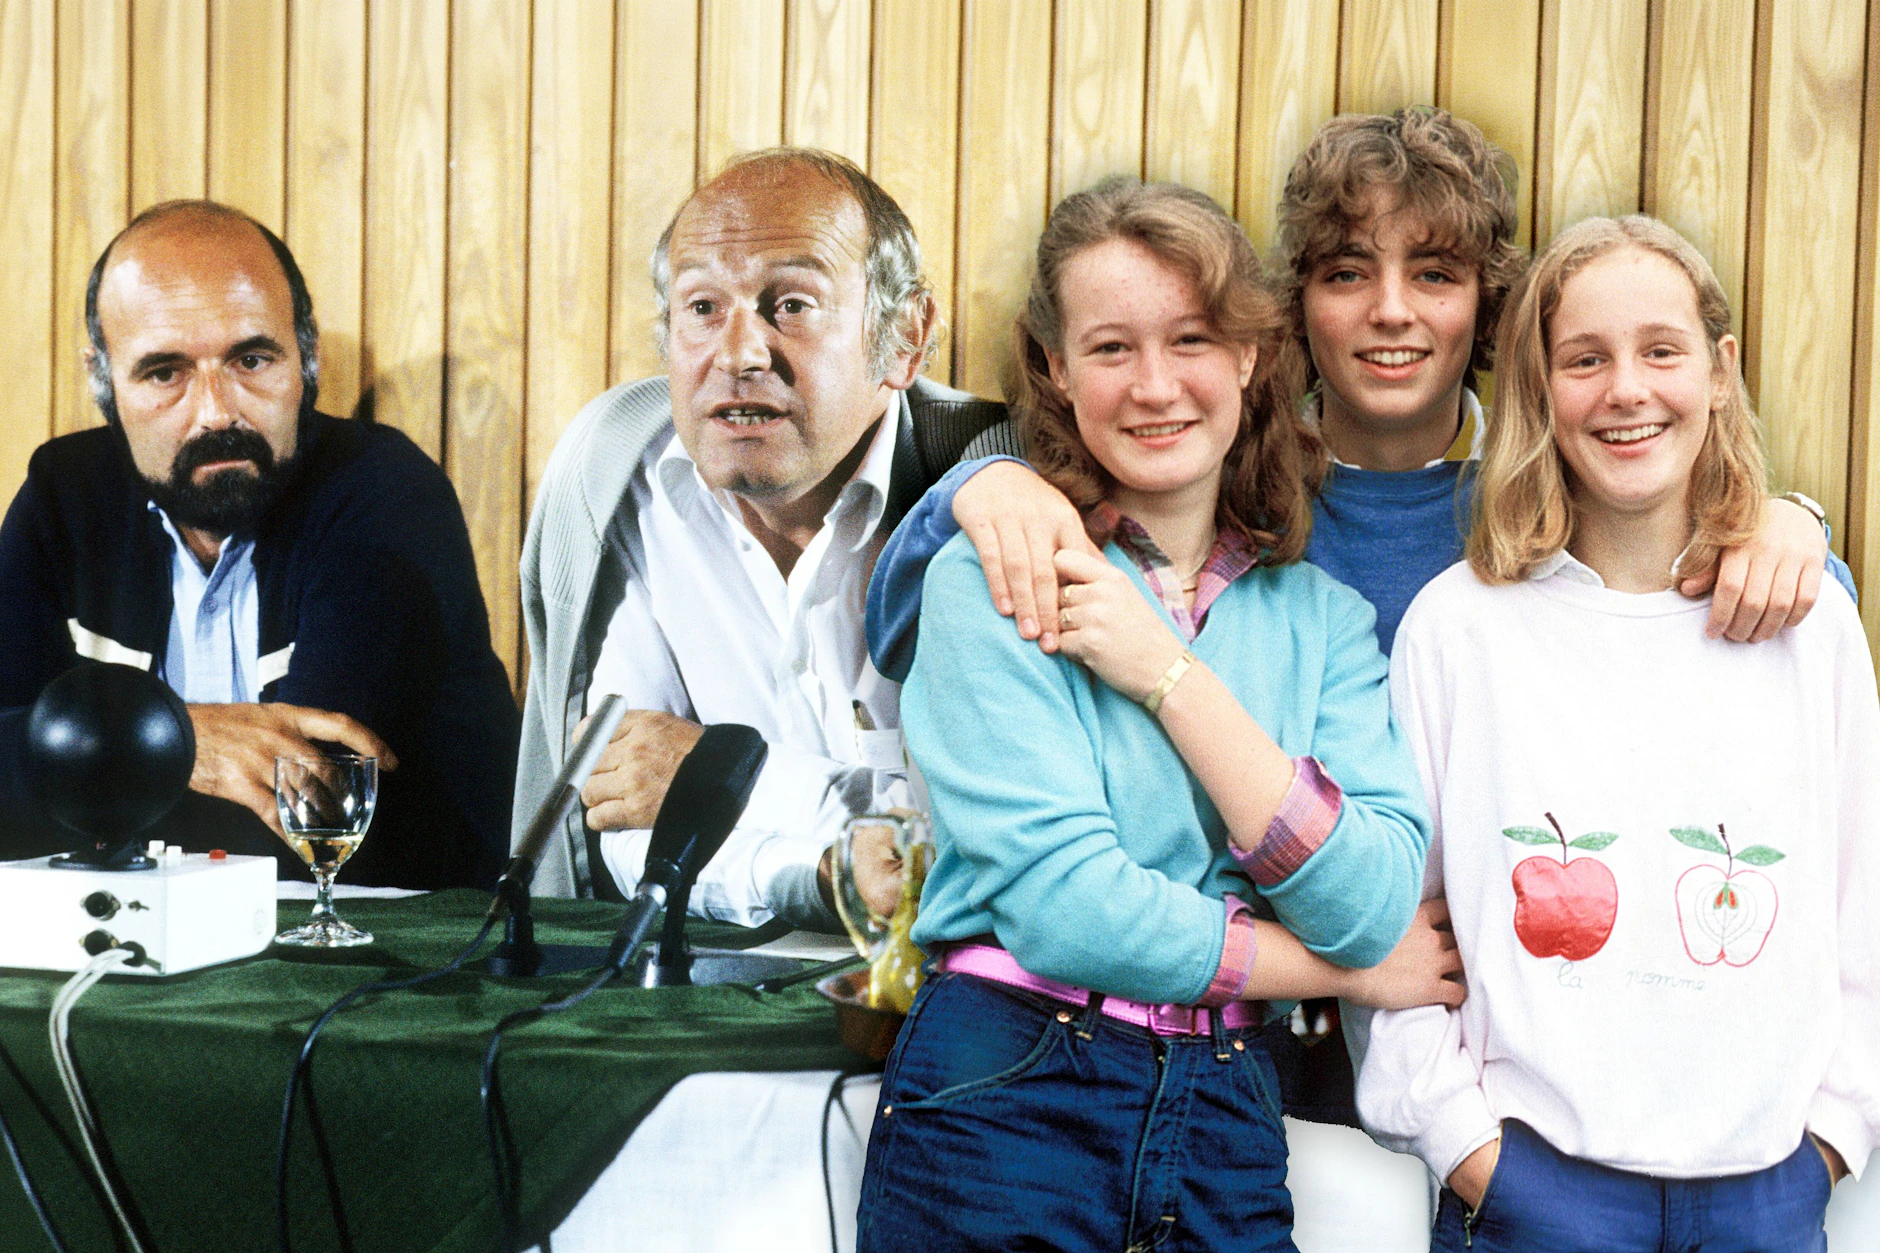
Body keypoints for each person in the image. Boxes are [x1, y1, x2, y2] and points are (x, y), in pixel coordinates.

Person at [856, 177, 1462, 1253]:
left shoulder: (1317, 618)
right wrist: (1337, 970)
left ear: (1248, 355)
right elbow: (1069, 910)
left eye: (1189, 338)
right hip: (1007, 1090)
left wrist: (1164, 675)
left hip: (1228, 1108)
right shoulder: (998, 576)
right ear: (1050, 366)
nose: (1153, 386)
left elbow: (1371, 896)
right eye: (1107, 348)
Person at [1355, 215, 1877, 1251]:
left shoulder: (1806, 621)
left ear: (1718, 371)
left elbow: (1857, 896)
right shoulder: (1459, 628)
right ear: (1540, 389)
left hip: (1765, 1188)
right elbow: (1393, 915)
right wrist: (1463, 1143)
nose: (1625, 389)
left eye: (1660, 351)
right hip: (1535, 1181)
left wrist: (1833, 1130)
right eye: (1584, 359)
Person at [513, 149, 1006, 924]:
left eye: (793, 306)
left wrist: (724, 775)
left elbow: (989, 834)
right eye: (702, 308)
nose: (739, 354)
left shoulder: (992, 490)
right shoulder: (616, 476)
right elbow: (621, 811)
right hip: (686, 992)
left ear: (905, 336)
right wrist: (816, 871)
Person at [0, 200, 520, 888]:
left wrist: (105, 757)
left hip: (392, 948)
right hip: (144, 943)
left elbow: (305, 809)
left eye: (251, 359)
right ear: (105, 380)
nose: (217, 410)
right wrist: (190, 743)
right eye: (165, 373)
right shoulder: (64, 496)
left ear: (306, 358)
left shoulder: (386, 497)